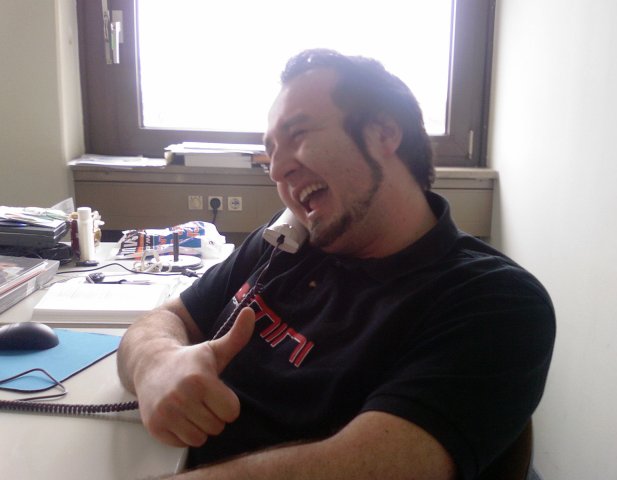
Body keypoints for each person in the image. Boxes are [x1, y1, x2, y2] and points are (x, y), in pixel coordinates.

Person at [117, 49, 555, 479]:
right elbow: (165, 319)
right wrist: (156, 362)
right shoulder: (286, 241)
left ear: (384, 133)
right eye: (271, 152)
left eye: (298, 134)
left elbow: (368, 466)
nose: (277, 170)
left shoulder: (495, 301)